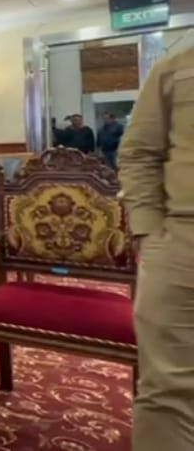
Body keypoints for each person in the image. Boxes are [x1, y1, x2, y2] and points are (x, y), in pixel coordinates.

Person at [119, 49, 194, 450]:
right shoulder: (177, 67)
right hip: (182, 241)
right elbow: (138, 153)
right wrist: (148, 231)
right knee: (168, 392)